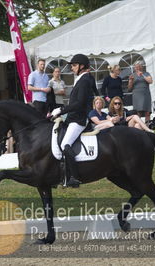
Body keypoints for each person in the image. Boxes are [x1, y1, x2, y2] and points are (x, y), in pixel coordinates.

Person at [51, 54, 94, 188]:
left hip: (79, 119)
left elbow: (79, 103)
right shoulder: (82, 79)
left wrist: (61, 110)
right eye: (72, 66)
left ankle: (74, 177)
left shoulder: (85, 80)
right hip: (73, 117)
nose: (72, 68)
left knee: (65, 145)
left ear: (82, 66)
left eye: (74, 65)